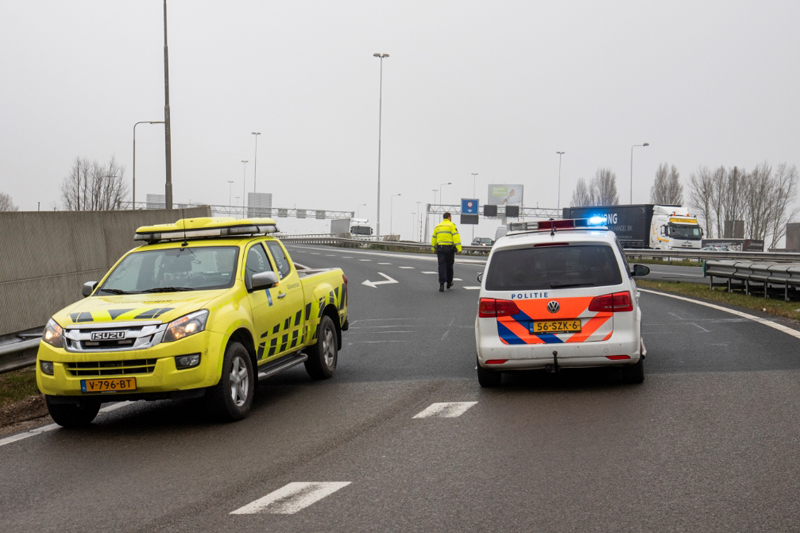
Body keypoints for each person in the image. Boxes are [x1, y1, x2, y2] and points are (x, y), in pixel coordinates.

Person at [431, 212, 462, 292]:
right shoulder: (451, 225)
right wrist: (459, 248)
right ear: (449, 217)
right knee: (449, 266)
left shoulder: (438, 226)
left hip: (440, 249)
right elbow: (456, 237)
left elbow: (434, 238)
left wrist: (433, 249)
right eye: (450, 217)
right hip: (449, 249)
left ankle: (441, 284)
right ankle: (449, 282)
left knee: (441, 266)